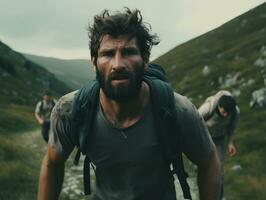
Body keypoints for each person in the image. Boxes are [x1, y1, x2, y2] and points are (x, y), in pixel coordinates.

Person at [38, 8, 220, 200]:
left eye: (128, 52)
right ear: (93, 62)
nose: (118, 64)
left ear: (146, 58)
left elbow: (209, 161)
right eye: (107, 54)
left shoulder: (178, 109)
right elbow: (52, 164)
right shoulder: (70, 109)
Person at [198, 90, 240, 200]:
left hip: (219, 140)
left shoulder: (235, 112)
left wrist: (231, 144)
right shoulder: (208, 108)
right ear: (219, 106)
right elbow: (194, 121)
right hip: (204, 137)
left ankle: (219, 197)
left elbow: (232, 129)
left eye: (228, 113)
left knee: (219, 171)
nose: (226, 115)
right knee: (204, 167)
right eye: (223, 112)